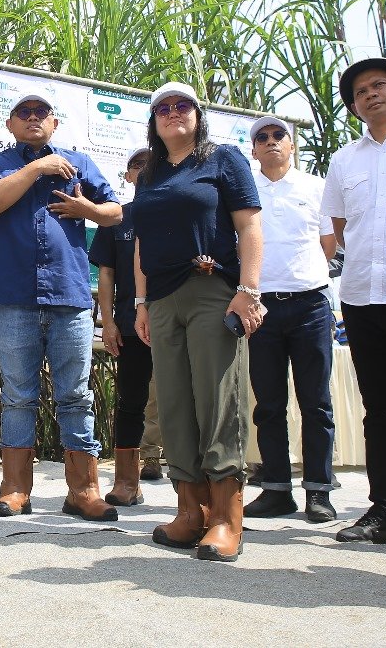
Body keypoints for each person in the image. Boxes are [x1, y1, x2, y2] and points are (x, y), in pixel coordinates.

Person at [0, 93, 122, 520]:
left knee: (76, 395)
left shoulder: (79, 161)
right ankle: (15, 489)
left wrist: (87, 208)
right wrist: (37, 167)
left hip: (70, 294)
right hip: (14, 296)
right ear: (10, 124)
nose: (33, 119)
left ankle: (84, 489)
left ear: (54, 123)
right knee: (19, 395)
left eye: (41, 113)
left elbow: (114, 213)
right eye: (25, 113)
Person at [133, 81, 263, 563]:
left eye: (182, 105)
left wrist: (247, 291)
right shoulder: (149, 172)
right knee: (174, 405)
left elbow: (249, 224)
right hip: (163, 299)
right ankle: (190, 511)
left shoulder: (222, 158)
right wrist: (142, 302)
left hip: (213, 290)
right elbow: (142, 244)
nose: (172, 113)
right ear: (154, 120)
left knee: (218, 398)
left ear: (197, 113)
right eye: (163, 107)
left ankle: (227, 518)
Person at [321, 56, 386, 545]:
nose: (370, 95)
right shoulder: (345, 160)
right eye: (359, 93)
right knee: (381, 410)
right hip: (362, 298)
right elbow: (338, 231)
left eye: (379, 85)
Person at [243, 116, 338, 523]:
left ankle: (319, 490)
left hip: (310, 305)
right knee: (268, 404)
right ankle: (276, 489)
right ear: (253, 149)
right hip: (260, 307)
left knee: (316, 402)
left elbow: (329, 246)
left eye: (278, 135)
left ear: (292, 144)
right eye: (261, 137)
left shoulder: (316, 187)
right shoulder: (245, 190)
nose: (271, 142)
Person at [90, 146, 157, 508]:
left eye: (151, 164)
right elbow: (106, 274)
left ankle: (194, 485)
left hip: (178, 321)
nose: (143, 171)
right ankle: (126, 481)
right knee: (130, 400)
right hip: (130, 325)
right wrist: (110, 322)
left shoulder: (178, 213)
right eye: (136, 166)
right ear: (127, 176)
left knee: (190, 401)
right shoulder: (116, 218)